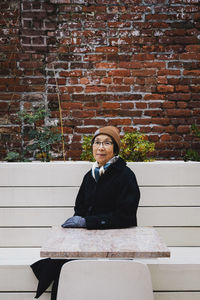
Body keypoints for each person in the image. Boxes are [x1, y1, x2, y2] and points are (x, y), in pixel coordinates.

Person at [31, 126, 140, 300]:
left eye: (107, 143)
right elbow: (79, 207)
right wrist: (77, 222)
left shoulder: (126, 175)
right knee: (63, 267)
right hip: (88, 238)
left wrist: (87, 222)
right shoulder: (90, 176)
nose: (101, 147)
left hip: (116, 241)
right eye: (97, 143)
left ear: (115, 148)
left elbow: (125, 217)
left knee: (56, 266)